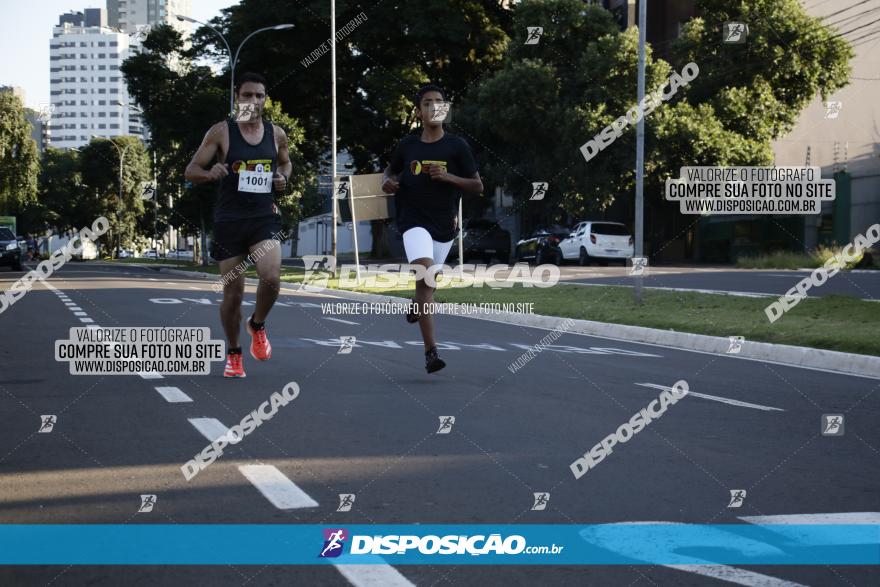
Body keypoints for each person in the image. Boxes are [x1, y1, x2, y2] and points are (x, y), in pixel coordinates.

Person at [184, 72, 292, 378]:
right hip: (229, 221)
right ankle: (233, 352)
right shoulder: (221, 132)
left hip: (263, 218)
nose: (253, 101)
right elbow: (191, 170)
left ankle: (257, 325)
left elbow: (285, 162)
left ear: (265, 99)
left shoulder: (276, 134)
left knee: (271, 276)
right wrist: (209, 174)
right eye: (247, 95)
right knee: (233, 294)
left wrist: (283, 178)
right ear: (237, 98)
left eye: (259, 95)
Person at [382, 84, 483, 373]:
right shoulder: (408, 146)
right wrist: (385, 181)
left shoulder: (457, 146)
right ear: (420, 111)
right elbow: (390, 171)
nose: (434, 106)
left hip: (444, 225)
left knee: (427, 287)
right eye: (428, 102)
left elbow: (478, 186)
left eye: (440, 101)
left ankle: (416, 304)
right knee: (426, 280)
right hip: (412, 221)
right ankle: (431, 352)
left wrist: (449, 176)